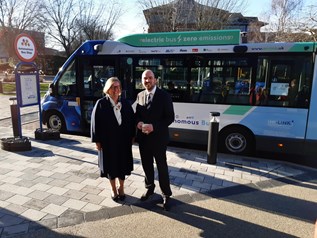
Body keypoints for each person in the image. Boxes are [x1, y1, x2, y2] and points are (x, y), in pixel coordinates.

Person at [91, 77, 135, 202]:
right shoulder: (101, 104)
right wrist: (97, 141)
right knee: (111, 167)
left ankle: (121, 188)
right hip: (108, 142)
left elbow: (132, 120)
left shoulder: (125, 103)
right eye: (113, 87)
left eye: (118, 87)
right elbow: (95, 124)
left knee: (122, 166)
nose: (116, 89)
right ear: (107, 89)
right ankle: (113, 189)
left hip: (123, 142)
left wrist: (133, 136)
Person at [135, 69, 175, 210]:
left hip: (159, 139)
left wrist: (154, 127)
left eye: (150, 78)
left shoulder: (164, 96)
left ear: (155, 79)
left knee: (161, 167)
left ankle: (166, 194)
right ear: (142, 80)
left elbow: (170, 117)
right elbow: (137, 115)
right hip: (144, 139)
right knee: (146, 166)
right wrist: (138, 123)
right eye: (145, 78)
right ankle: (150, 188)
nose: (147, 81)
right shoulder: (139, 95)